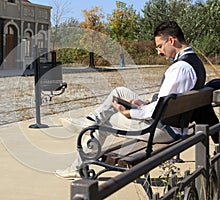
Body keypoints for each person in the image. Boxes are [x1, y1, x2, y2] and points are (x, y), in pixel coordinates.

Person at [56, 20, 206, 179]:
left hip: (163, 130)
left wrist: (131, 113)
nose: (159, 52)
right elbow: (167, 101)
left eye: (159, 46)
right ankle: (89, 120)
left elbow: (159, 110)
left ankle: (78, 165)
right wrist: (145, 103)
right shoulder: (194, 62)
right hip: (173, 125)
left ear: (171, 40)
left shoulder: (180, 68)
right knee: (120, 92)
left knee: (107, 121)